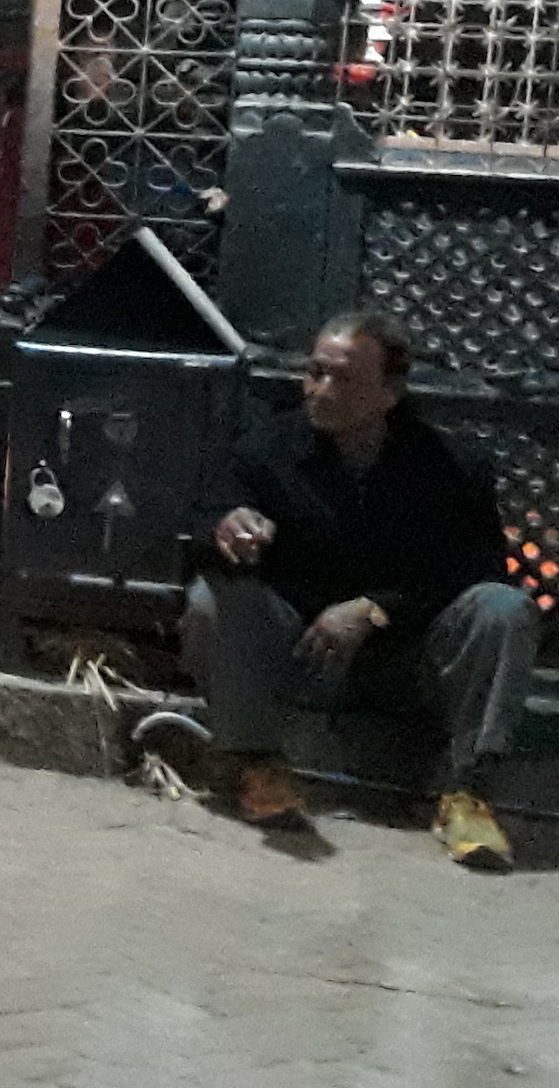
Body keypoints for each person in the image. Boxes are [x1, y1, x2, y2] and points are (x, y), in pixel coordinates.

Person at [182, 310, 535, 867]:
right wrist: (226, 530)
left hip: (410, 662)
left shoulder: (448, 466)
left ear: (390, 393)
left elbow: (476, 569)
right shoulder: (267, 448)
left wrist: (374, 609)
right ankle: (256, 764)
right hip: (302, 654)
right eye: (315, 372)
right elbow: (198, 529)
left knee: (502, 608)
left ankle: (464, 792)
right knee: (213, 600)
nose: (321, 390)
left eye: (343, 378)